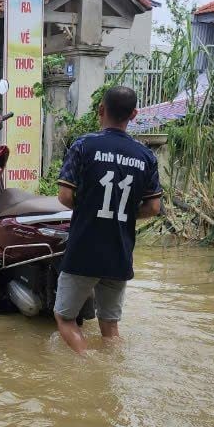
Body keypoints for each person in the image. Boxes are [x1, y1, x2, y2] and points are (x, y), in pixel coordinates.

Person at [53, 86, 163, 355]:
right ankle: (111, 371)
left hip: (84, 250)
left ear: (101, 110)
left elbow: (65, 196)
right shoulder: (146, 156)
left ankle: (86, 365)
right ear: (134, 115)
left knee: (65, 318)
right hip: (120, 252)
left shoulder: (83, 146)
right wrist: (124, 211)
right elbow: (153, 207)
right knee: (110, 327)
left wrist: (90, 207)